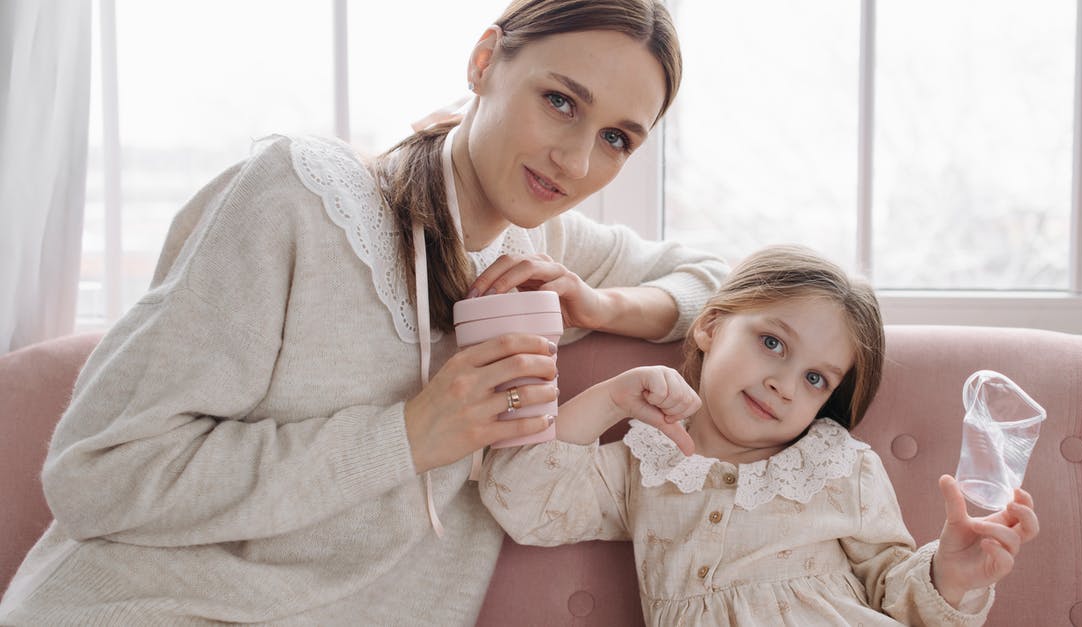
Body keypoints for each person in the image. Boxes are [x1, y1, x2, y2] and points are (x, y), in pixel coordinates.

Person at [0, 1, 728, 624]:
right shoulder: (296, 199)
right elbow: (97, 472)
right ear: (484, 62)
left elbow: (716, 280)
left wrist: (599, 302)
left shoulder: (539, 244)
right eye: (560, 101)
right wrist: (407, 435)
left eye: (616, 140)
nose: (574, 159)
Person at [481, 245, 1041, 626]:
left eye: (815, 378)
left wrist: (951, 574)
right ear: (710, 325)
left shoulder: (836, 466)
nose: (782, 385)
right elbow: (524, 498)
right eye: (772, 343)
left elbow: (893, 591)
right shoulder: (648, 461)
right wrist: (613, 397)